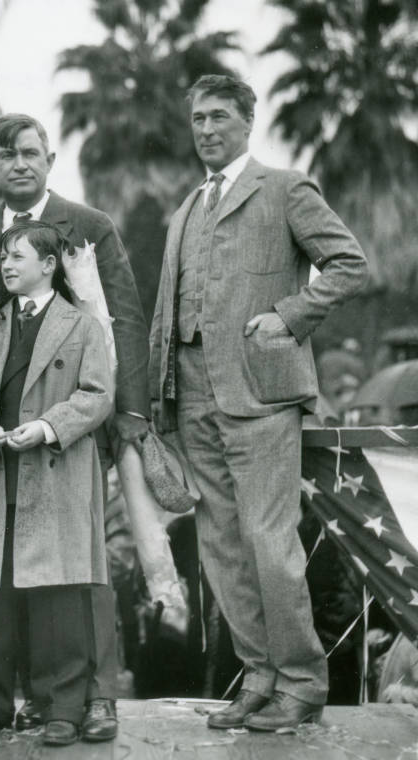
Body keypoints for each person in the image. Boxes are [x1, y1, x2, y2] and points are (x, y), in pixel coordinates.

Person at [149, 75, 368, 731]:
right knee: (220, 549)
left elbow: (349, 265)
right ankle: (261, 679)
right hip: (191, 398)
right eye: (198, 119)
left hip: (262, 396)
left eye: (219, 116)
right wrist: (157, 397)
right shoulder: (188, 206)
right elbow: (169, 309)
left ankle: (302, 683)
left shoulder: (284, 188)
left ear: (248, 120)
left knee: (269, 543)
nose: (207, 129)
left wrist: (289, 316)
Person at [0, 113, 149, 740]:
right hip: (0, 430)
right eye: (6, 154)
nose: (19, 163)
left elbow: (122, 319)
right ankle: (33, 698)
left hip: (79, 423)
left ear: (49, 159)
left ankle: (96, 696)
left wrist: (127, 412)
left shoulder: (90, 226)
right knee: (12, 564)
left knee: (83, 564)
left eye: (30, 153)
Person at [0, 221, 114, 746]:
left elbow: (96, 395)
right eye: (3, 257)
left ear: (49, 265)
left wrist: (46, 427)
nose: (6, 265)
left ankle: (63, 707)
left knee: (58, 598)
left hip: (53, 473)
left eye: (17, 256)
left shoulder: (81, 324)